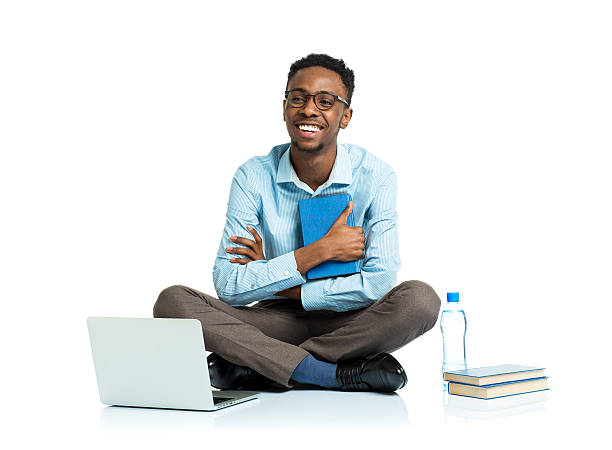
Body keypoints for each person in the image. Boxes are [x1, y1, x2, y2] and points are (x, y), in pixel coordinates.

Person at [153, 54, 441, 392]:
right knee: (171, 302)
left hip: (355, 323)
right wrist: (317, 252)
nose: (308, 110)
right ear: (285, 107)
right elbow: (229, 286)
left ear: (345, 116)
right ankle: (329, 373)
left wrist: (280, 281)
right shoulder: (253, 176)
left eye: (325, 101)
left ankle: (264, 365)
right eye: (298, 98)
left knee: (420, 301)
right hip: (276, 320)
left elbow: (378, 284)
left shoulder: (376, 176)